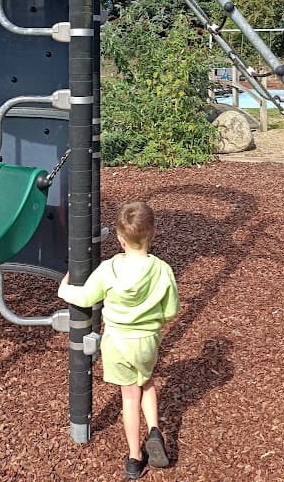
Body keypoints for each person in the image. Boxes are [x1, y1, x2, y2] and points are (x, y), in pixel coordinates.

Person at [58, 201, 179, 479]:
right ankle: (154, 430)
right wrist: (155, 320)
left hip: (117, 341)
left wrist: (64, 290)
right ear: (153, 233)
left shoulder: (109, 269)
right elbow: (171, 310)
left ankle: (135, 457)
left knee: (129, 395)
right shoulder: (162, 270)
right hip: (147, 341)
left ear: (121, 239)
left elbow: (86, 297)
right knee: (146, 380)